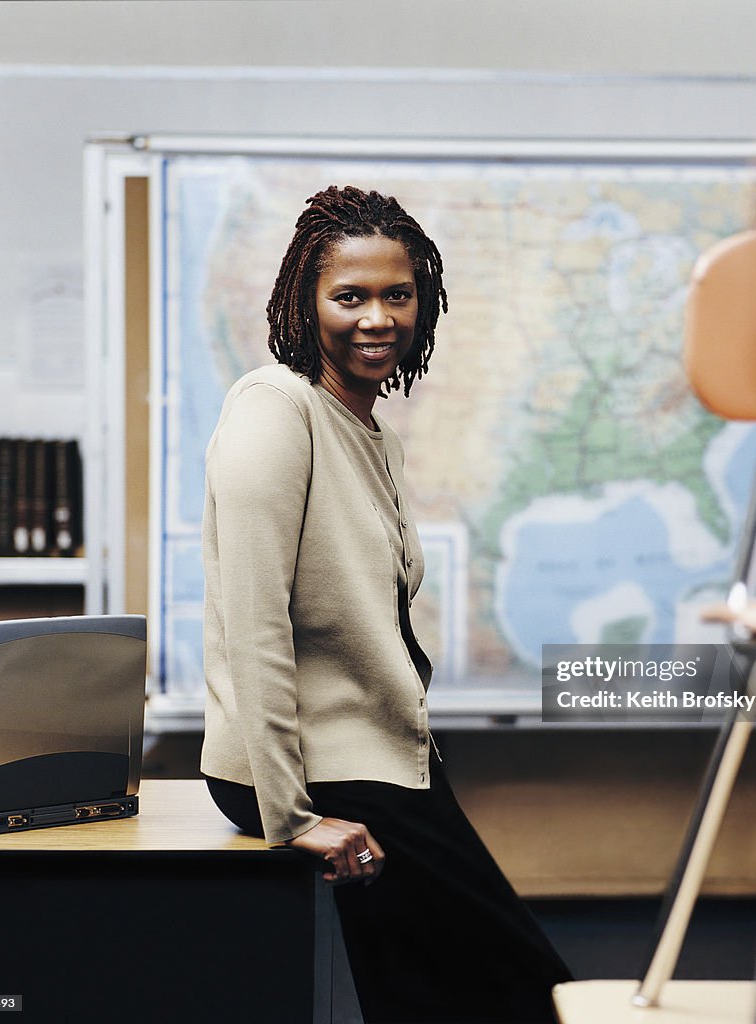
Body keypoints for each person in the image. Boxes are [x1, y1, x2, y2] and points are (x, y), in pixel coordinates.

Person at [200, 185, 572, 1023]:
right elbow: (252, 622)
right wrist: (290, 817)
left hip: (378, 757)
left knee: (418, 989)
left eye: (397, 295)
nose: (378, 317)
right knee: (528, 987)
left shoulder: (371, 434)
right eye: (351, 296)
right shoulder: (275, 410)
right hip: (309, 769)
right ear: (306, 301)